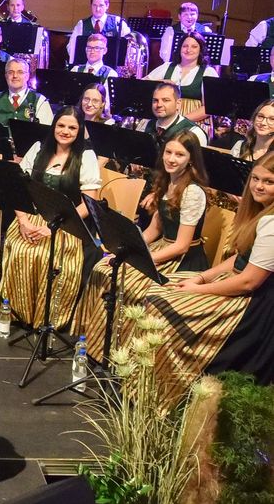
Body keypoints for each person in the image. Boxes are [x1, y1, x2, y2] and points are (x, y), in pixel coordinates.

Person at [142, 154, 274, 406]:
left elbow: (249, 281)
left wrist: (198, 290)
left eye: (268, 182)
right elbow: (238, 260)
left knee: (164, 309)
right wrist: (202, 277)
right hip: (237, 284)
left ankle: (169, 395)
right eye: (255, 179)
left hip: (254, 306)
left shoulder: (271, 223)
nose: (258, 186)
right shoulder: (259, 214)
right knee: (159, 292)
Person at [78, 131, 210, 357]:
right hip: (161, 248)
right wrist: (125, 250)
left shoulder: (193, 192)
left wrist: (138, 260)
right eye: (168, 152)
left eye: (179, 154)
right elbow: (154, 230)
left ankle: (125, 350)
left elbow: (181, 245)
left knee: (132, 285)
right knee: (103, 267)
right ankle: (99, 344)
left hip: (182, 260)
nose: (171, 158)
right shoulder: (167, 182)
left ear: (191, 159)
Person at [0, 105, 102, 329]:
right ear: (54, 126)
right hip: (31, 218)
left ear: (79, 130)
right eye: (61, 125)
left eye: (72, 127)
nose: (65, 131)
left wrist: (52, 228)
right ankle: (21, 312)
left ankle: (47, 318)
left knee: (48, 256)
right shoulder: (38, 149)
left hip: (68, 223)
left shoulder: (86, 157)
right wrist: (24, 222)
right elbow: (20, 190)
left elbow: (89, 204)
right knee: (20, 249)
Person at [145, 31, 217, 123]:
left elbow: (209, 107)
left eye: (194, 47)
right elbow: (143, 84)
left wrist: (179, 121)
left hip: (192, 122)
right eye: (185, 46)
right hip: (162, 118)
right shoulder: (167, 67)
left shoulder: (208, 72)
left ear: (200, 50)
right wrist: (162, 82)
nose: (188, 50)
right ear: (179, 48)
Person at [0, 56, 52, 126]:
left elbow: (46, 132)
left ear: (27, 76)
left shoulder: (40, 100)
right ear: (6, 76)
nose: (15, 76)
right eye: (11, 72)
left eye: (20, 72)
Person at [137, 81, 208, 146]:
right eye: (155, 100)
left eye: (165, 100)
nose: (159, 105)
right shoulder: (145, 125)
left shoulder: (194, 132)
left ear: (178, 104)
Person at [67, 0, 131, 64]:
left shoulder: (118, 22)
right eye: (94, 5)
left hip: (111, 69)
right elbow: (71, 47)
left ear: (107, 6)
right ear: (91, 5)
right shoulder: (81, 24)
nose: (97, 9)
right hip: (87, 68)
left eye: (101, 5)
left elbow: (129, 45)